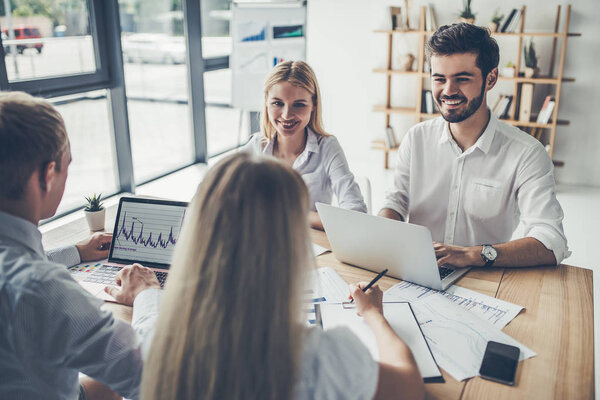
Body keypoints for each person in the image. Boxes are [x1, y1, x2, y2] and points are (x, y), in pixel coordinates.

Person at [141, 152, 424, 400]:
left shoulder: (158, 341)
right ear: (289, 249)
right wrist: (375, 315)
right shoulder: (316, 358)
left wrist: (145, 294)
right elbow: (408, 387)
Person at [0, 91, 162, 400]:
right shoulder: (42, 290)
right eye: (66, 166)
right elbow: (155, 373)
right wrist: (146, 294)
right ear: (48, 175)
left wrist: (76, 252)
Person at [379, 23, 569, 269]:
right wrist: (383, 234)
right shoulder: (416, 138)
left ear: (491, 78)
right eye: (439, 79)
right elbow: (395, 202)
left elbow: (551, 241)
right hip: (417, 273)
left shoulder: (527, 154)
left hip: (484, 277)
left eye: (462, 79)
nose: (448, 91)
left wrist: (473, 254)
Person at [242, 60, 367, 229]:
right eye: (277, 103)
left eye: (299, 105)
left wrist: (291, 213)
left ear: (314, 105)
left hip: (310, 247)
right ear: (266, 102)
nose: (286, 115)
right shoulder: (257, 145)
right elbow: (213, 187)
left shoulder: (327, 147)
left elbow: (356, 214)